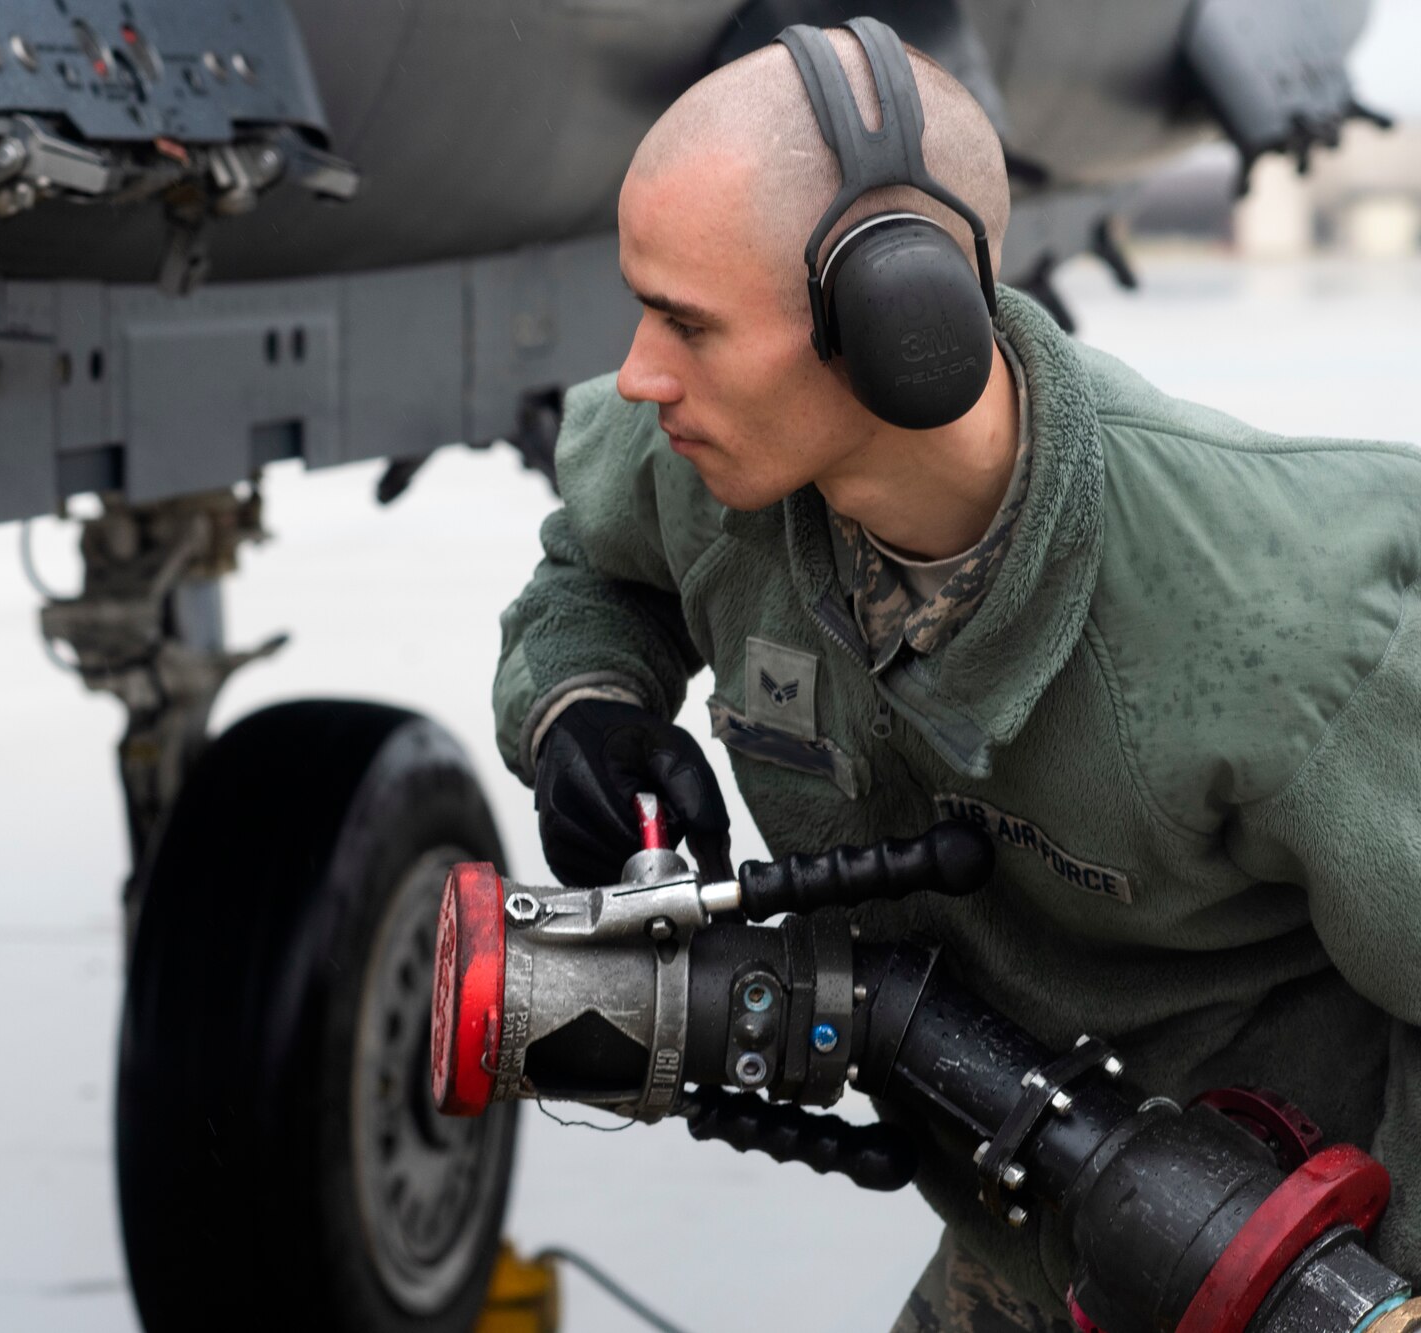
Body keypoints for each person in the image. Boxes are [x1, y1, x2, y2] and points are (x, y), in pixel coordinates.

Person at [492, 19, 1421, 1331]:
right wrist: (586, 703)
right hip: (1035, 1250)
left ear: (896, 327)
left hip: (1290, 1269)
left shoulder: (1283, 612)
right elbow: (592, 564)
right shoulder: (706, 463)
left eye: (687, 323)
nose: (641, 373)